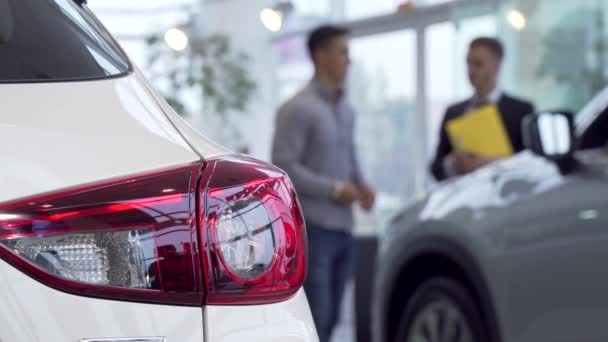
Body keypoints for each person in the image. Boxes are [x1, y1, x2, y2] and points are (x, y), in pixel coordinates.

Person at [271, 25, 375, 342]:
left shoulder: (346, 108)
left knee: (332, 321)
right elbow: (283, 167)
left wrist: (362, 185)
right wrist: (334, 190)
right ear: (321, 55)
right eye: (343, 52)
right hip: (313, 231)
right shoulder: (297, 108)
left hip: (345, 229)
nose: (349, 60)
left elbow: (348, 155)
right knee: (317, 319)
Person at [430, 37, 535, 181]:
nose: (471, 71)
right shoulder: (453, 112)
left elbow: (532, 164)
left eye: (478, 64)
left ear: (497, 66)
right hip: (464, 197)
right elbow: (435, 168)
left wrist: (494, 164)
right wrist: (453, 163)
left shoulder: (521, 111)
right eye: (468, 63)